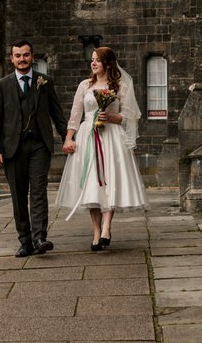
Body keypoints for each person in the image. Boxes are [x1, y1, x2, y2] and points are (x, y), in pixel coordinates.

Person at [56, 46, 147, 251]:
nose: (93, 63)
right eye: (92, 60)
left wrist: (111, 117)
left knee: (109, 182)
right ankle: (96, 232)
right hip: (88, 136)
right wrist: (69, 139)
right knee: (91, 186)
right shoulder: (85, 85)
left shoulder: (121, 86)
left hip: (111, 137)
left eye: (97, 60)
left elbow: (129, 115)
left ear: (107, 63)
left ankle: (106, 228)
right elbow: (75, 114)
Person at [0, 40, 67, 257]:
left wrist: (67, 137)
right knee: (18, 195)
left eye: (25, 55)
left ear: (32, 56)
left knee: (39, 192)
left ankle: (40, 237)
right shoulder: (2, 85)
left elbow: (57, 115)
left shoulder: (45, 82)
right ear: (11, 58)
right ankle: (25, 241)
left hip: (40, 145)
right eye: (17, 55)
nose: (22, 59)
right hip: (12, 148)